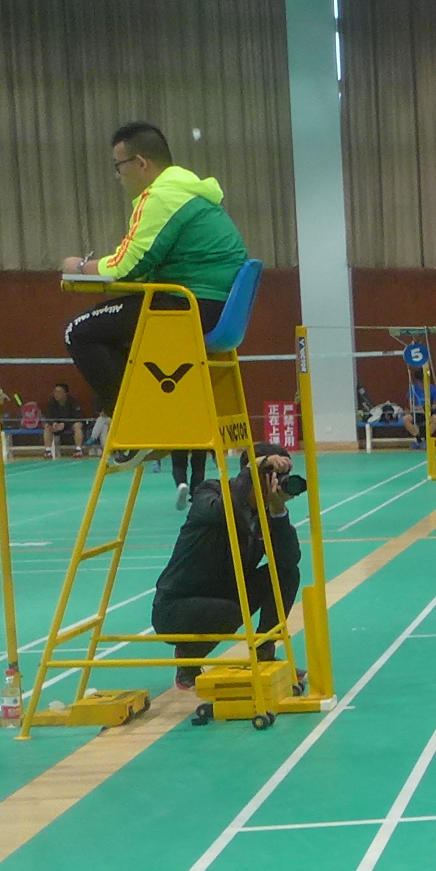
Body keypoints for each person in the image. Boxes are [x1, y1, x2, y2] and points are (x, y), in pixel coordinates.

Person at [59, 123, 250, 457]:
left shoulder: (162, 196)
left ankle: (140, 428)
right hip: (214, 306)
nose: (118, 176)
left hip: (191, 306)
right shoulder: (187, 191)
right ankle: (158, 419)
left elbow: (126, 265)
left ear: (140, 163)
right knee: (117, 330)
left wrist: (79, 266)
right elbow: (146, 268)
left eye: (119, 166)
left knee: (79, 332)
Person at [150, 442, 303, 691]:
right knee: (229, 612)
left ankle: (264, 652)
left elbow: (289, 559)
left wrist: (278, 511)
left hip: (227, 593)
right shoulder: (209, 492)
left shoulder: (266, 512)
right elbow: (225, 511)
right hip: (176, 605)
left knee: (286, 573)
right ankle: (188, 659)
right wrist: (252, 470)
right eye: (272, 473)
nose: (278, 482)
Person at [43, 381, 85, 458]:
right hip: (57, 425)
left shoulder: (72, 402)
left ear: (65, 394)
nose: (56, 394)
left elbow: (78, 417)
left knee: (78, 425)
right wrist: (53, 423)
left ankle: (78, 450)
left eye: (59, 392)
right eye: (55, 392)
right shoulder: (51, 402)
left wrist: (64, 424)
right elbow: (48, 416)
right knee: (47, 426)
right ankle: (47, 451)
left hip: (70, 424)